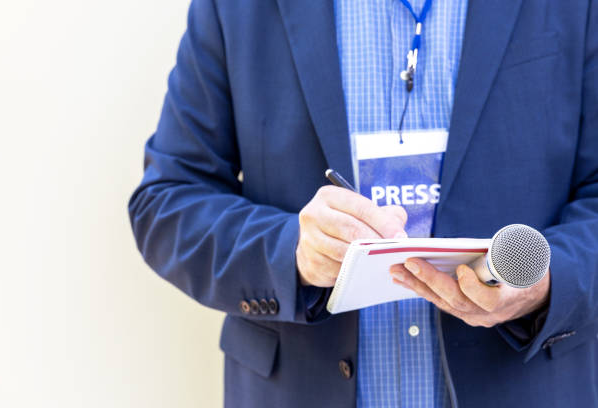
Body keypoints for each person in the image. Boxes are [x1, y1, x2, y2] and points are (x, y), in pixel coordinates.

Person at [128, 0, 598, 407]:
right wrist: (291, 250)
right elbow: (167, 202)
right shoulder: (237, 8)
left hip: (524, 384)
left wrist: (547, 284)